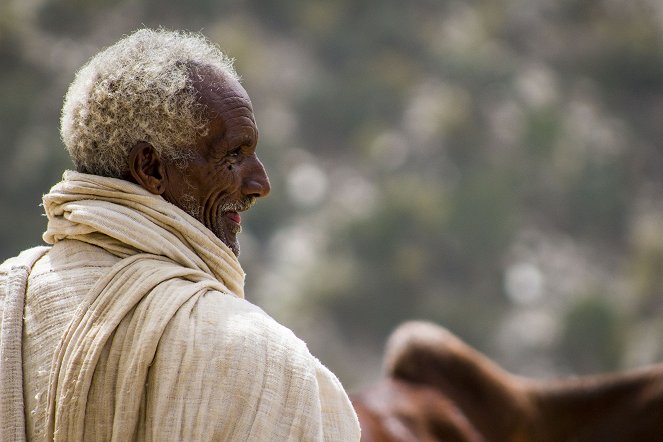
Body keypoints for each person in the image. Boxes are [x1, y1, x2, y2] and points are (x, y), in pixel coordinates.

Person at [0, 28, 360, 441]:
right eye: (233, 155)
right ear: (151, 169)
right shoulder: (261, 360)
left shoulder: (8, 300)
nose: (260, 184)